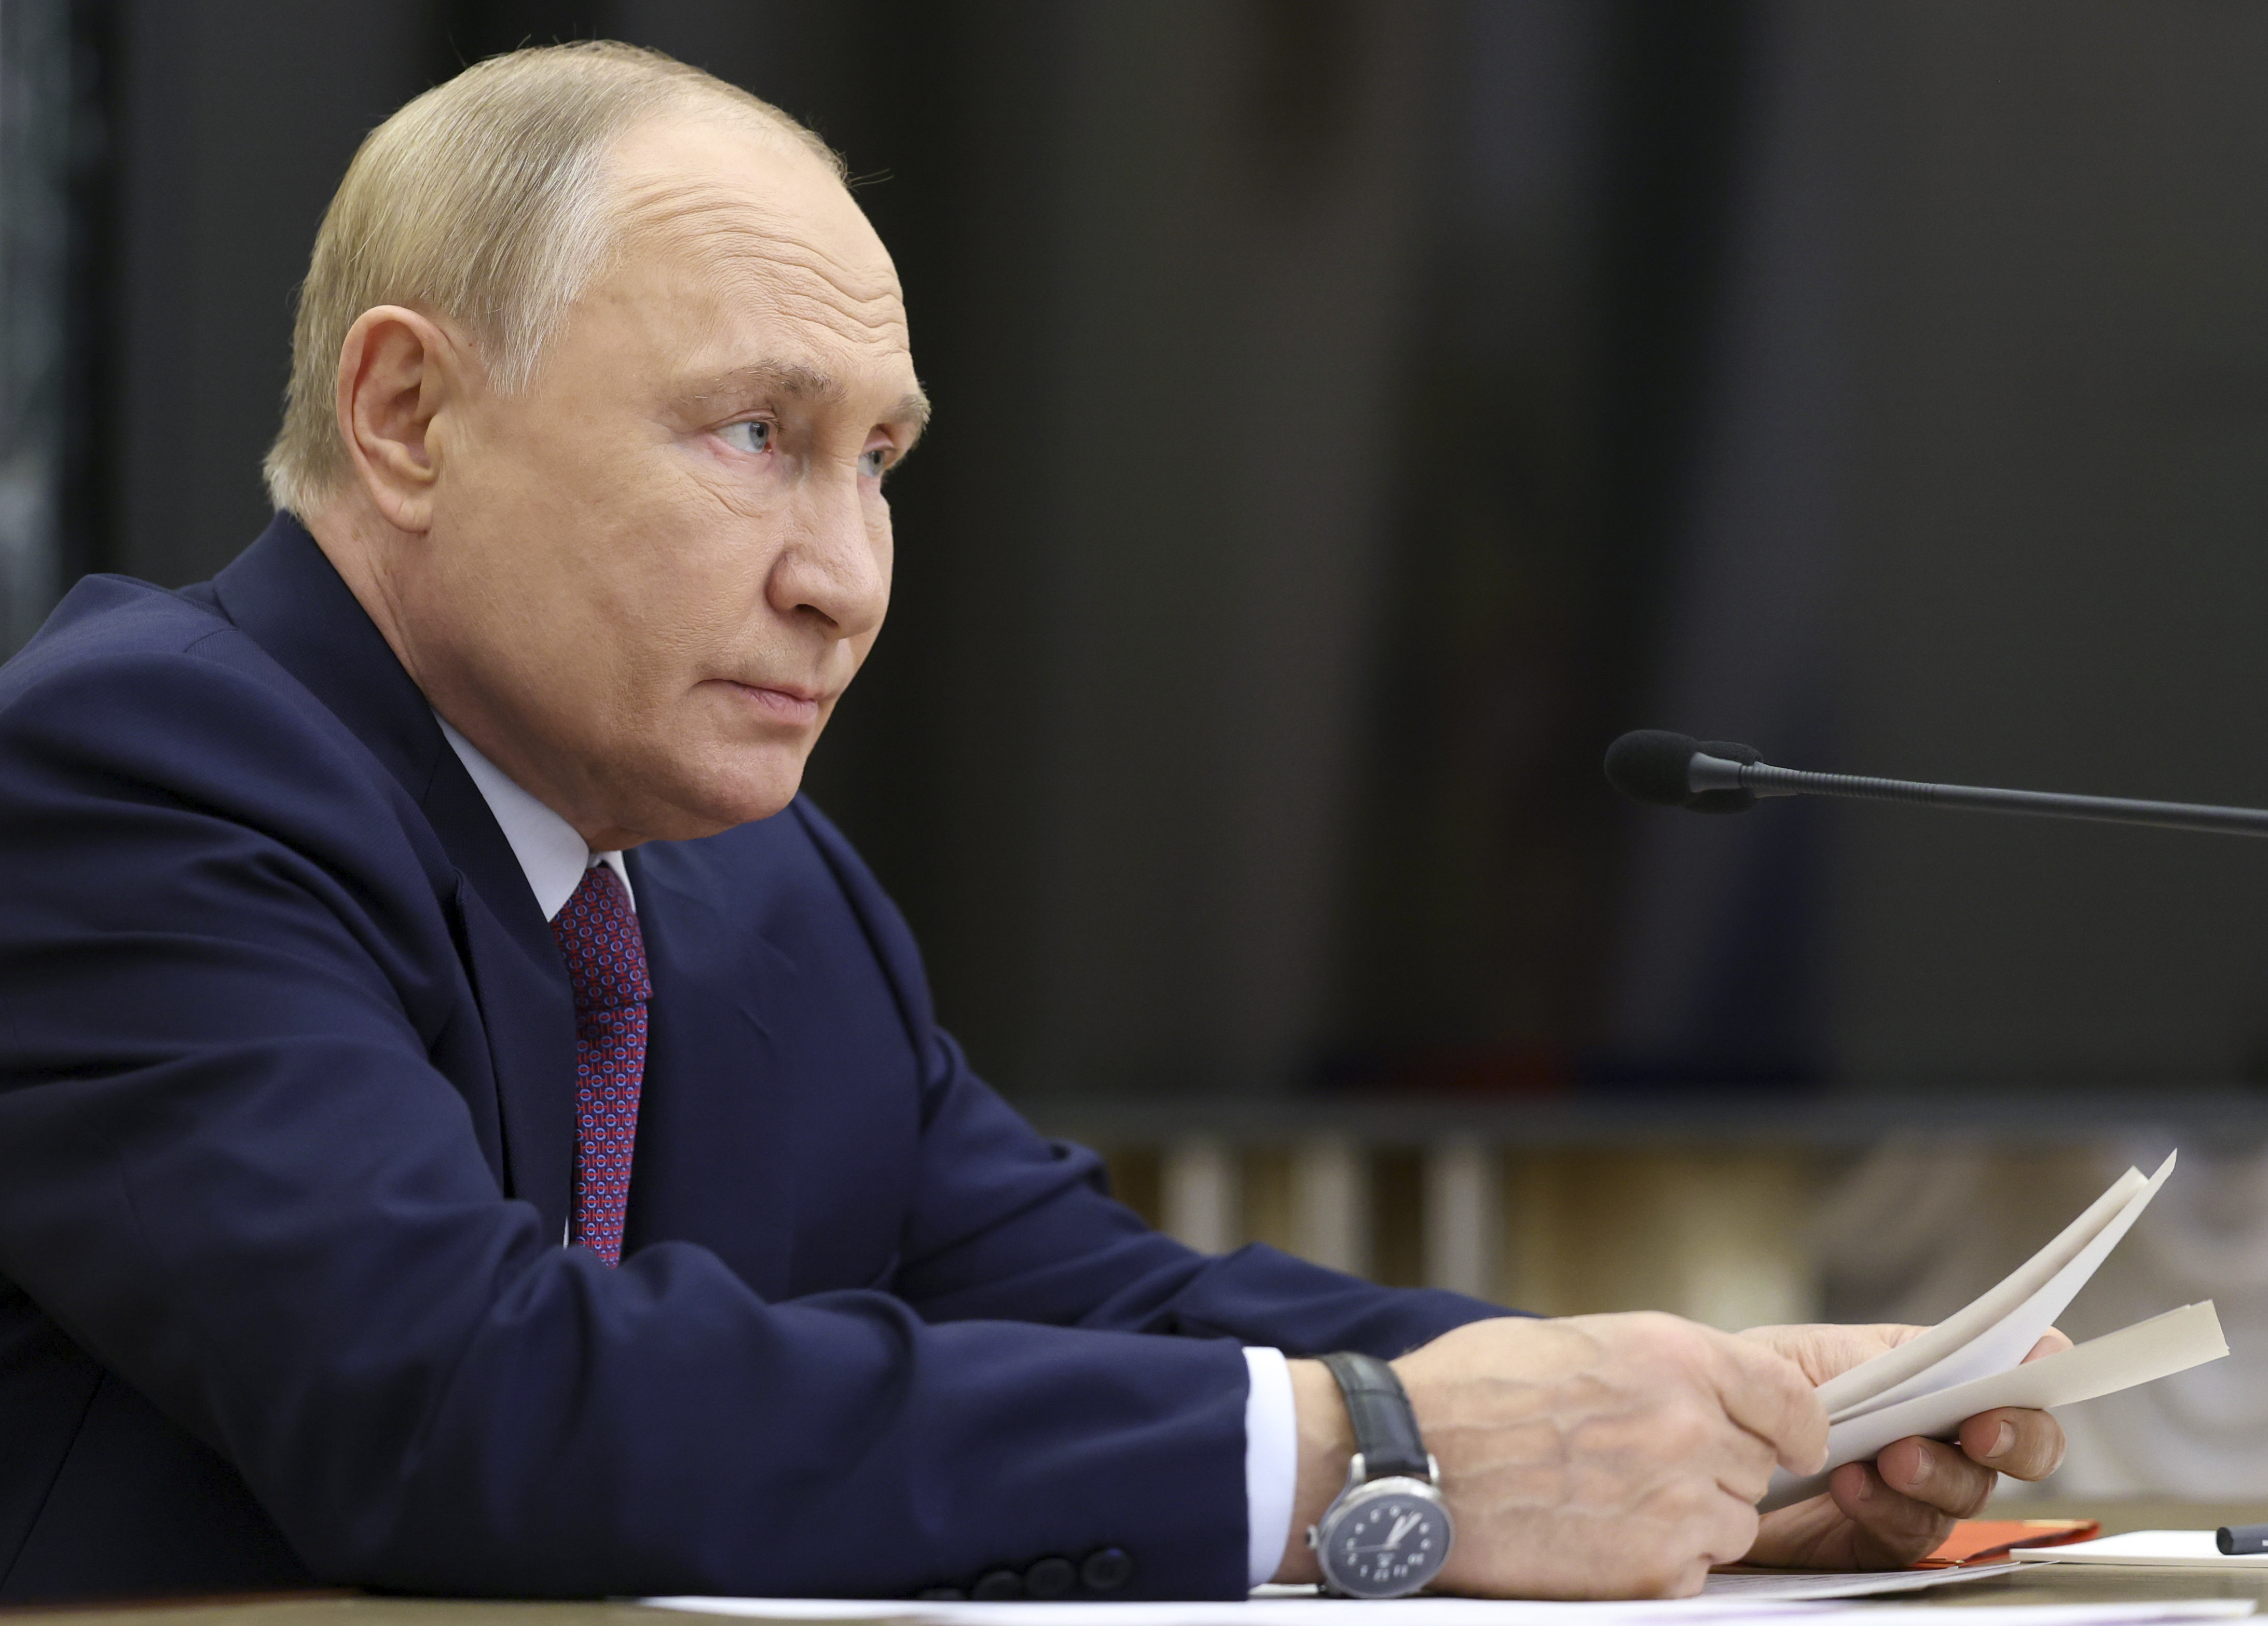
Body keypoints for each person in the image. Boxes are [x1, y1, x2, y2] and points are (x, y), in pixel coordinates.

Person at [0, 42, 2064, 1605]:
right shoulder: (130, 775)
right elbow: (461, 1401)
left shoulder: (757, 884)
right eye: (757, 436)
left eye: (877, 462)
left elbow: (1082, 1299)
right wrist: (1394, 1448)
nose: (847, 575)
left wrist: (1674, 1412)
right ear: (408, 416)